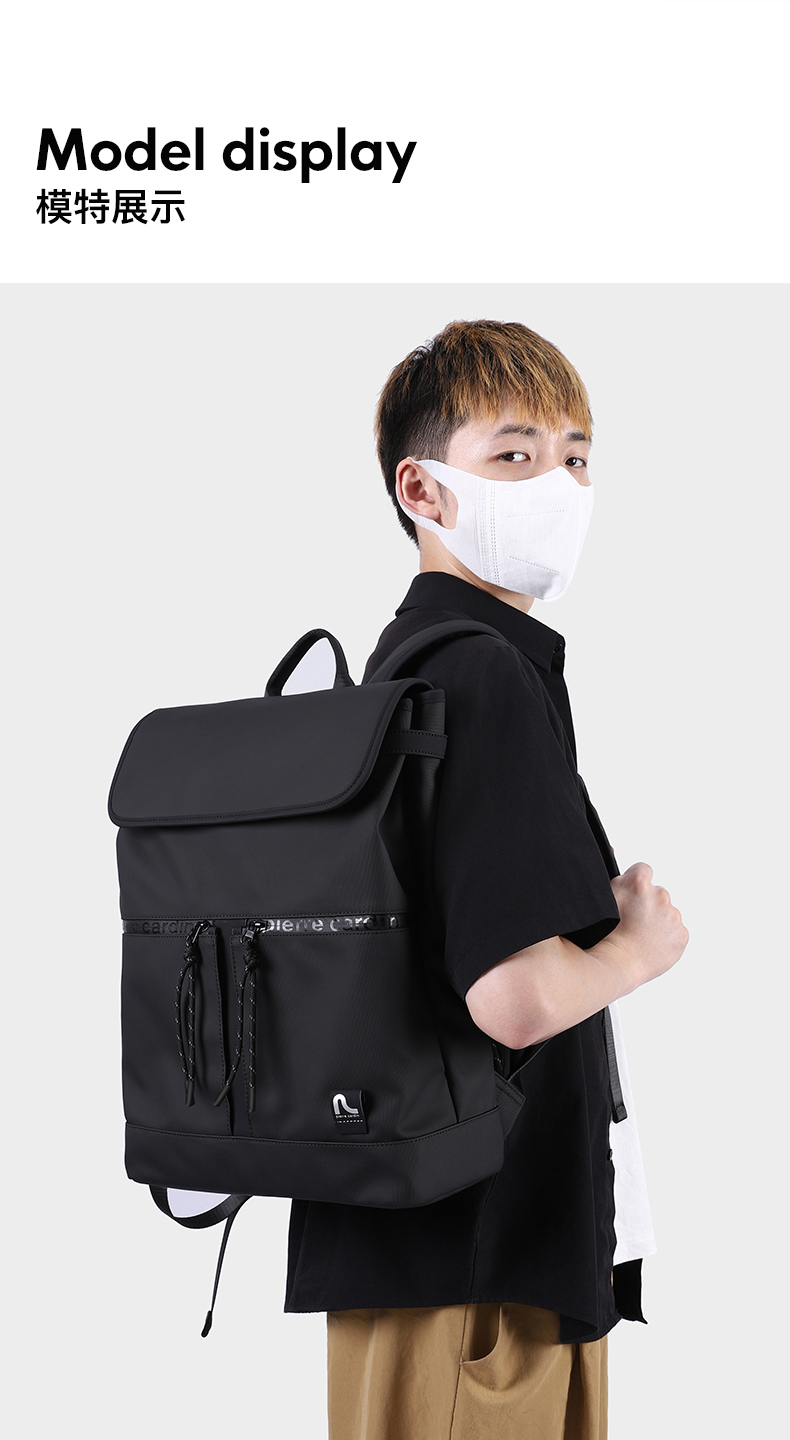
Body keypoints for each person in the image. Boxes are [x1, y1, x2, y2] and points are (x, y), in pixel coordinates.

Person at [284, 320, 688, 1439]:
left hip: (410, 1248)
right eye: (514, 454)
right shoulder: (486, 678)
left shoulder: (399, 675)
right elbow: (513, 997)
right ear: (423, 489)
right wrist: (638, 950)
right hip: (484, 1282)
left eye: (576, 455)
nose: (558, 484)